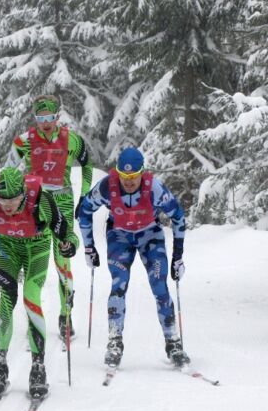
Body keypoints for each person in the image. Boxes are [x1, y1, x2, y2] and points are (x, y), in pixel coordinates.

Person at [0, 167, 78, 399]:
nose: (8, 205)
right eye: (3, 200)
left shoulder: (42, 199)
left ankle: (38, 367)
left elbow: (68, 235)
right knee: (6, 298)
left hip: (37, 248)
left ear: (23, 193)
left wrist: (68, 246)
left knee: (31, 295)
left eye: (14, 199)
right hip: (6, 248)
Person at [75, 146, 189, 369]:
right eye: (124, 176)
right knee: (118, 286)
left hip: (150, 236)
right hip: (120, 236)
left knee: (160, 286)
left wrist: (178, 257)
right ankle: (114, 342)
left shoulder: (154, 188)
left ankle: (173, 342)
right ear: (118, 172)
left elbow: (179, 217)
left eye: (134, 177)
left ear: (141, 173)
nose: (128, 181)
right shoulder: (108, 186)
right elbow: (84, 211)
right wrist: (89, 247)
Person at [4, 95, 92, 341]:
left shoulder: (72, 140)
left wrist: (85, 195)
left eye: (49, 117)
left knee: (63, 259)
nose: (45, 123)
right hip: (34, 203)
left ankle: (66, 315)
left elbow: (87, 164)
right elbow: (8, 171)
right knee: (34, 262)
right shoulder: (24, 141)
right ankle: (33, 316)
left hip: (63, 200)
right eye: (40, 118)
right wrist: (11, 198)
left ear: (57, 116)